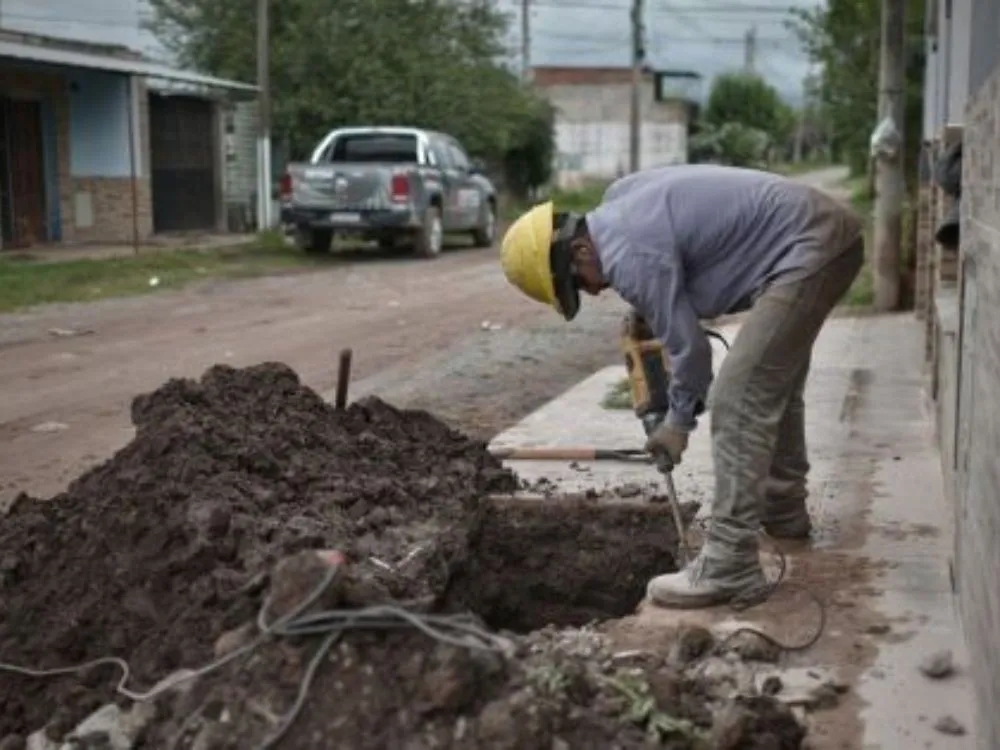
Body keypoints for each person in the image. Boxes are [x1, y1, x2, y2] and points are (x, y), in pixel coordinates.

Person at [499, 165, 863, 609]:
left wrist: (677, 423)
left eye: (578, 284)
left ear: (579, 248)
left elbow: (692, 354)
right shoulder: (618, 204)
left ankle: (731, 564)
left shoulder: (628, 255)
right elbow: (681, 256)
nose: (593, 293)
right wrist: (656, 304)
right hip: (820, 235)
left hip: (808, 249)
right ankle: (783, 513)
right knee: (771, 384)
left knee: (739, 396)